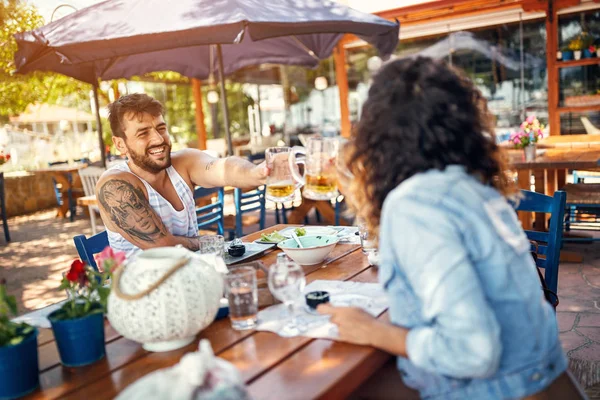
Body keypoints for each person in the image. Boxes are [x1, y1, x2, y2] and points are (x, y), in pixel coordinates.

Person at [318, 58, 579, 399]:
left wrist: (370, 331)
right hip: (545, 380)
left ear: (377, 137)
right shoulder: (473, 189)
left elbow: (474, 352)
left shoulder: (415, 204)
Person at [96, 93, 267, 256]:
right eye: (143, 133)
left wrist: (258, 172)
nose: (158, 139)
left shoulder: (183, 162)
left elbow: (224, 168)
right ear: (120, 144)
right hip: (142, 284)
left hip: (191, 275)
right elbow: (163, 247)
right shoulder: (114, 185)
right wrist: (206, 242)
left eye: (161, 128)